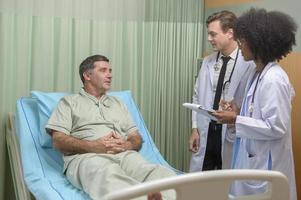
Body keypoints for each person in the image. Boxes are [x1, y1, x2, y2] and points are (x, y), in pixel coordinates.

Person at [46, 55, 176, 200]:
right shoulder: (69, 103)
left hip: (124, 155)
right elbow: (58, 140)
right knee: (107, 175)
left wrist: (127, 144)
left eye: (110, 71)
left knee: (160, 173)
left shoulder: (118, 103)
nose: (110, 75)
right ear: (87, 75)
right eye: (103, 70)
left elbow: (136, 137)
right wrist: (93, 146)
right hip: (87, 158)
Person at [212, 8, 297, 200]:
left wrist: (236, 119)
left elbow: (276, 127)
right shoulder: (256, 72)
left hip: (267, 165)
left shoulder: (274, 79)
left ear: (258, 42)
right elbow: (255, 111)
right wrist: (237, 110)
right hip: (252, 158)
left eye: (243, 40)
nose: (239, 45)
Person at [189, 10, 254, 172]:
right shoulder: (207, 62)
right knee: (202, 180)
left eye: (213, 34)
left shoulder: (248, 64)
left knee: (227, 181)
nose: (209, 39)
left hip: (231, 131)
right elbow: (197, 95)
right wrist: (195, 128)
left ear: (230, 33)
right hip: (208, 130)